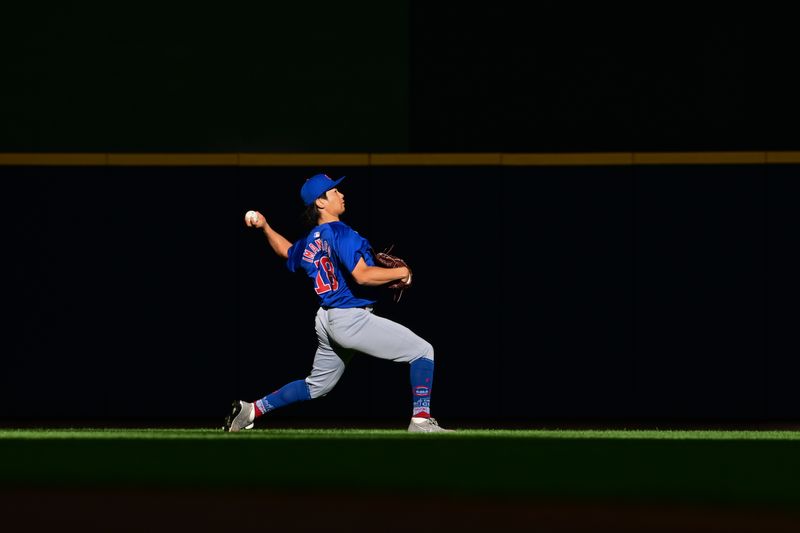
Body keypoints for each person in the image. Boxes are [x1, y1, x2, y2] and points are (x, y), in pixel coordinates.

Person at [224, 173, 452, 433]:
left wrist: (265, 227)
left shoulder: (313, 238)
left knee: (315, 387)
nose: (341, 194)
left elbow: (286, 251)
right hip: (350, 318)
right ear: (320, 203)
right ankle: (421, 421)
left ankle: (251, 409)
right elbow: (362, 275)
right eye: (334, 191)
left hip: (326, 319)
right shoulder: (340, 232)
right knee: (423, 351)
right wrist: (403, 273)